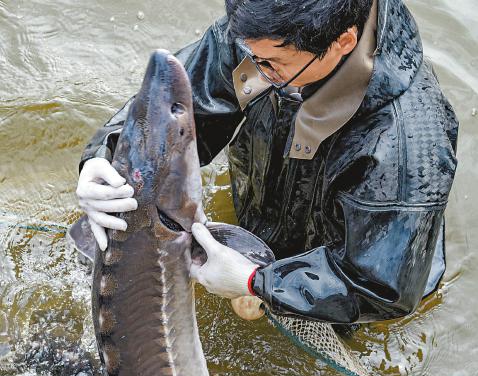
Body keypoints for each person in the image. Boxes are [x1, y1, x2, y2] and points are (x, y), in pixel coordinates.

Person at [76, 0, 458, 323]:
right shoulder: (266, 30)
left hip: (355, 285)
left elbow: (381, 287)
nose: (255, 70)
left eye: (273, 64)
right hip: (258, 225)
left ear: (343, 42)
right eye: (250, 55)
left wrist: (260, 283)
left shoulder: (406, 140)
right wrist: (104, 158)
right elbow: (180, 107)